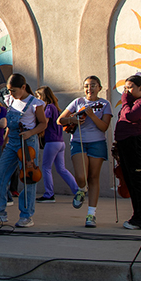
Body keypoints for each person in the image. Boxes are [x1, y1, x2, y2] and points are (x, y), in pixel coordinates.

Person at [0, 74, 46, 228]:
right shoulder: (10, 100)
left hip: (27, 143)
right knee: (0, 172)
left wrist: (30, 133)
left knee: (28, 178)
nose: (10, 93)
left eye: (13, 90)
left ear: (23, 88)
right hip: (12, 142)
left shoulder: (35, 103)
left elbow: (43, 124)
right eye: (9, 90)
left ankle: (27, 215)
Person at [58, 75, 113, 228]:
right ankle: (81, 189)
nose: (90, 88)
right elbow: (60, 120)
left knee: (93, 178)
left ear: (100, 88)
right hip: (79, 142)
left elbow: (104, 127)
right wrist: (72, 120)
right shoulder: (78, 102)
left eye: (93, 85)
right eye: (87, 86)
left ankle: (91, 214)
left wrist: (91, 115)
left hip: (97, 143)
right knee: (81, 176)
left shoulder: (105, 104)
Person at [114, 74, 141, 230]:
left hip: (136, 145)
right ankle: (137, 216)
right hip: (126, 145)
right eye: (125, 88)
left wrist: (125, 101)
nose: (127, 91)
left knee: (138, 182)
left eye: (130, 87)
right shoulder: (130, 103)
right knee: (131, 182)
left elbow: (130, 116)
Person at [36, 86, 78, 203]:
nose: (38, 99)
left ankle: (49, 194)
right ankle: (77, 191)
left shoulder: (48, 107)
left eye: (39, 96)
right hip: (60, 142)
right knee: (61, 169)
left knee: (46, 167)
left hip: (51, 141)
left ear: (43, 96)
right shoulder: (56, 108)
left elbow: (44, 122)